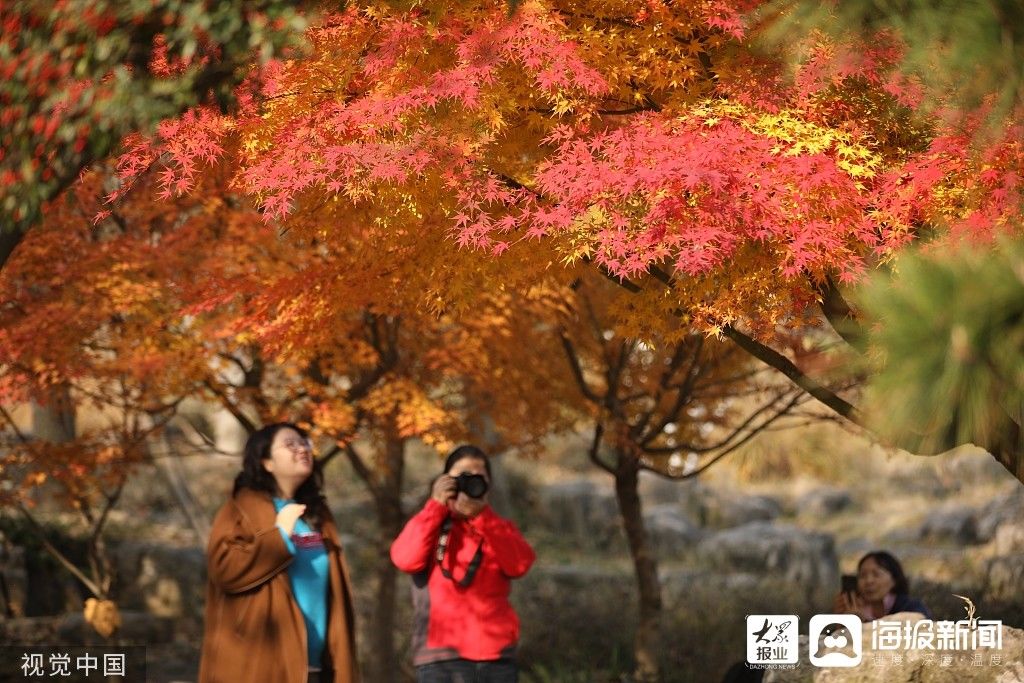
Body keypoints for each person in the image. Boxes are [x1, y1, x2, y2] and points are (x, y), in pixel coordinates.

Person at [198, 422, 359, 683]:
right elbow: (223, 569)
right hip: (262, 667)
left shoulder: (317, 514)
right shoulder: (240, 509)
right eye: (290, 444)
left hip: (318, 668)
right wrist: (280, 535)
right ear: (266, 462)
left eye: (305, 442)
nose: (302, 448)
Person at [391, 445, 536, 682]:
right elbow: (405, 559)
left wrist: (483, 518)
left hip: (496, 657)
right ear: (445, 480)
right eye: (461, 477)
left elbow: (519, 565)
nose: (469, 484)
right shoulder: (429, 524)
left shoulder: (498, 526)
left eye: (478, 478)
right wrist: (435, 506)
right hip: (441, 658)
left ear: (489, 484)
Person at [833, 550, 932, 621]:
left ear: (894, 580)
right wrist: (841, 623)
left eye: (876, 574)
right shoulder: (855, 608)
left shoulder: (911, 607)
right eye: (862, 575)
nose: (869, 581)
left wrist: (865, 623)